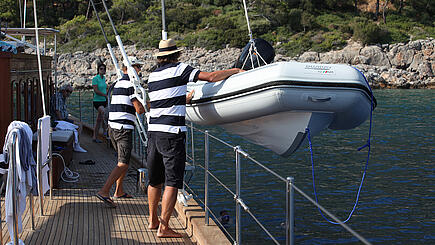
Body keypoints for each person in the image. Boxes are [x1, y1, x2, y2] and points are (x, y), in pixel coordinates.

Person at [146, 38, 243, 238]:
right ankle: (164, 228)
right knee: (172, 181)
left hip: (153, 133)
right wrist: (235, 71)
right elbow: (210, 77)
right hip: (172, 134)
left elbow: (164, 99)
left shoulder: (153, 76)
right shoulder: (180, 68)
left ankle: (153, 221)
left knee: (154, 180)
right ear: (176, 55)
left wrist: (184, 99)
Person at [96, 56, 145, 208]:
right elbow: (139, 109)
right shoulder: (131, 85)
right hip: (123, 129)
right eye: (138, 67)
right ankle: (104, 191)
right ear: (130, 68)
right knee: (123, 163)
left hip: (113, 127)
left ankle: (119, 190)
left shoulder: (117, 83)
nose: (140, 70)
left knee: (123, 161)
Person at [50, 84, 86, 152]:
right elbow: (57, 111)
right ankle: (76, 146)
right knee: (79, 125)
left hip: (64, 118)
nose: (69, 93)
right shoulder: (58, 97)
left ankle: (76, 142)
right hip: (58, 121)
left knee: (79, 121)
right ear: (63, 90)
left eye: (70, 92)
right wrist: (63, 122)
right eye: (67, 91)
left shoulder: (62, 97)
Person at [92, 62, 108, 143]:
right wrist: (104, 95)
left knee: (99, 119)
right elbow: (96, 90)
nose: (103, 70)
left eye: (104, 69)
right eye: (101, 69)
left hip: (104, 101)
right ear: (98, 70)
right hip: (97, 101)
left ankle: (95, 136)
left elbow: (105, 88)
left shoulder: (104, 78)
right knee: (104, 113)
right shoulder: (95, 78)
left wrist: (106, 95)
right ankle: (105, 132)